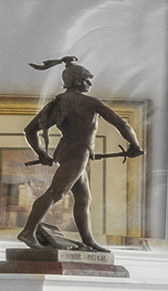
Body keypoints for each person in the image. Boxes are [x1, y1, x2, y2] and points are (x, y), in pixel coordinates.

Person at [15, 56, 142, 253]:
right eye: (88, 79)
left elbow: (30, 131)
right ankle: (28, 232)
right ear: (79, 80)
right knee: (56, 192)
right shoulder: (89, 102)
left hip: (66, 151)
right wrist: (134, 145)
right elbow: (121, 124)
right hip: (78, 153)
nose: (90, 83)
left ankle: (88, 241)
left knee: (83, 198)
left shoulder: (57, 103)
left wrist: (42, 154)